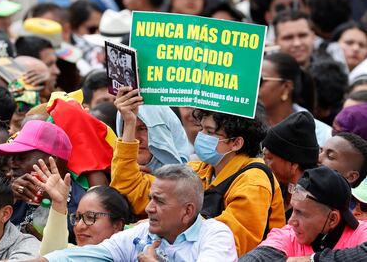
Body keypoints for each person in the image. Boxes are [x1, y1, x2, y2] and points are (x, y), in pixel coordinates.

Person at [111, 87, 285, 256]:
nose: (201, 136)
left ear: (236, 143)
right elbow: (131, 189)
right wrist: (129, 122)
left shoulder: (254, 182)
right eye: (201, 128)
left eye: (209, 132)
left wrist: (163, 224)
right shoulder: (199, 170)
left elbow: (227, 241)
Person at [38, 164, 238, 262]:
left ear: (188, 211)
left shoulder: (215, 235)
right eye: (150, 198)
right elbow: (68, 258)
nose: (149, 208)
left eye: (159, 201)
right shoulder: (139, 235)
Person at [240, 166, 367, 261]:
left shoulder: (362, 234)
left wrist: (313, 259)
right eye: (293, 210)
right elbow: (259, 257)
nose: (291, 221)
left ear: (332, 219)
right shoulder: (287, 235)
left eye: (302, 213)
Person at [0, 120, 86, 244]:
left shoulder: (82, 206)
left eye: (21, 157)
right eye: (11, 157)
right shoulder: (11, 195)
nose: (12, 164)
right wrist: (7, 199)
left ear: (52, 161)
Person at [28, 157, 132, 255]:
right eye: (77, 218)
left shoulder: (136, 255)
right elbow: (51, 256)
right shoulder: (69, 250)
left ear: (117, 226)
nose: (79, 226)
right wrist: (59, 204)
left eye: (91, 217)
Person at [259, 52, 331, 146]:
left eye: (260, 81)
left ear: (286, 86)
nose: (253, 87)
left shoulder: (322, 135)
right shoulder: (244, 125)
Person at [262, 111, 319, 216]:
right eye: (263, 156)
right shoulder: (274, 191)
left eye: (269, 158)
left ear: (293, 165)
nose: (263, 163)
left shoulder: (310, 207)